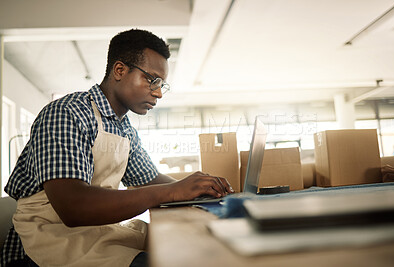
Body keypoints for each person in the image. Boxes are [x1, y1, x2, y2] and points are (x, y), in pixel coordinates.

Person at [1, 28, 233, 267]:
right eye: (152, 80)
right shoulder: (66, 113)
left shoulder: (123, 128)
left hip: (91, 232)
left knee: (184, 247)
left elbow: (149, 179)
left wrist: (199, 188)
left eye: (162, 84)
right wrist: (173, 192)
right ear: (120, 71)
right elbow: (74, 208)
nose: (158, 93)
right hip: (47, 242)